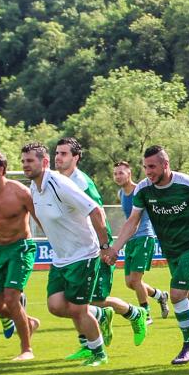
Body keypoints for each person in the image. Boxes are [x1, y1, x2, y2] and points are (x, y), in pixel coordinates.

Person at [102, 146, 189, 365]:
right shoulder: (143, 190)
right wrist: (116, 247)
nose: (148, 171)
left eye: (152, 166)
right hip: (172, 250)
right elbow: (133, 221)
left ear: (165, 165)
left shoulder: (188, 184)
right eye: (145, 167)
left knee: (177, 294)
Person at [22, 143, 115, 366]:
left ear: (44, 163)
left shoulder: (60, 183)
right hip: (61, 257)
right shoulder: (34, 187)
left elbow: (95, 209)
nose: (25, 165)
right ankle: (100, 314)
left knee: (77, 309)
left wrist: (105, 246)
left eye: (30, 161)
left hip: (84, 254)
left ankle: (99, 353)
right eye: (23, 161)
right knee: (55, 306)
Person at [53, 138, 151, 345]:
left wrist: (105, 247)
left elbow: (99, 214)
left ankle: (134, 313)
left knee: (93, 300)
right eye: (57, 153)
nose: (58, 157)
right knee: (70, 300)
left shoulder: (81, 182)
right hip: (71, 251)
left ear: (76, 157)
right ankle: (92, 334)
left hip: (91, 250)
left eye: (64, 154)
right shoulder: (58, 180)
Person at [0, 149, 44, 360]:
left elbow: (40, 219)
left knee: (12, 297)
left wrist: (59, 243)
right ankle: (28, 322)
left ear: (0, 169)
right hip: (0, 250)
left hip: (22, 248)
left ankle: (26, 350)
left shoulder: (21, 192)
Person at [112, 161, 172, 319]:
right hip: (131, 240)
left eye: (121, 173)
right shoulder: (120, 194)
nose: (118, 176)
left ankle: (145, 315)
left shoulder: (140, 190)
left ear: (129, 173)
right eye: (115, 173)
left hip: (144, 237)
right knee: (129, 282)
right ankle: (160, 296)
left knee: (136, 279)